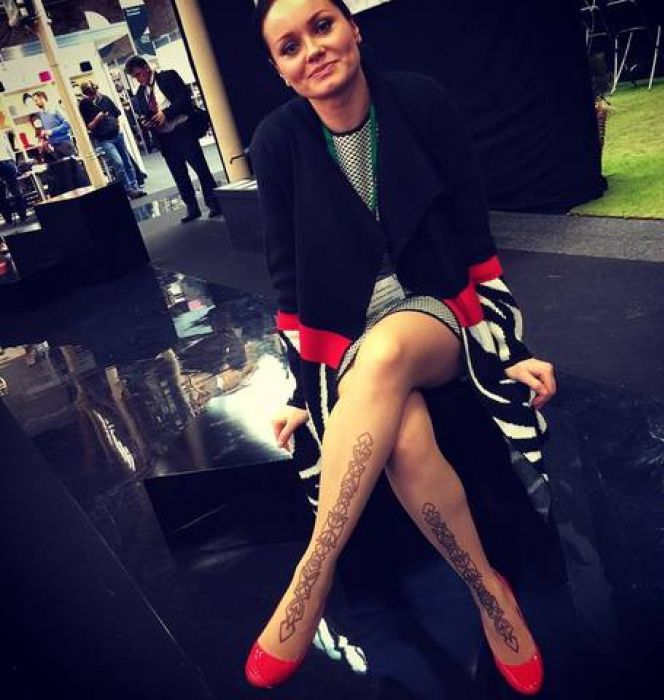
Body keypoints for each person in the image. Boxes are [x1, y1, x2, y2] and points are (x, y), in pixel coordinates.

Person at [244, 0, 558, 695]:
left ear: (354, 28)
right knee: (406, 438)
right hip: (348, 337)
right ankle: (490, 592)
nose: (312, 50)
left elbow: (474, 233)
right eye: (289, 46)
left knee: (386, 354)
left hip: (437, 313)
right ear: (280, 70)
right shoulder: (277, 141)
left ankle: (313, 572)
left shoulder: (420, 101)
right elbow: (288, 279)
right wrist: (302, 389)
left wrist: (511, 347)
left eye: (322, 25)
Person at [124, 55, 221, 223]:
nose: (138, 79)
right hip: (164, 138)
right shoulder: (140, 93)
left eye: (139, 74)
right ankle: (192, 207)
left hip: (182, 129)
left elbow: (184, 99)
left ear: (146, 67)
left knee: (200, 167)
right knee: (179, 174)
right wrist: (145, 121)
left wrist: (166, 113)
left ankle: (213, 203)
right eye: (135, 77)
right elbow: (145, 113)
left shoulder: (168, 76)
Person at [78, 81, 146, 199]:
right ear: (85, 94)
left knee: (127, 163)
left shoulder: (105, 99)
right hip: (104, 139)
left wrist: (117, 127)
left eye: (94, 92)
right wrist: (99, 117)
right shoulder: (84, 105)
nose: (93, 96)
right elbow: (89, 126)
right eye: (90, 94)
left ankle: (135, 187)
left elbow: (116, 114)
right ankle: (128, 189)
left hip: (117, 135)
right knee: (118, 163)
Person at [32, 91, 76, 158]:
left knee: (71, 163)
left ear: (42, 98)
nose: (35, 103)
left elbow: (67, 124)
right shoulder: (41, 115)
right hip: (54, 146)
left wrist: (52, 131)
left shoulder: (56, 109)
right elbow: (45, 131)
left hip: (64, 143)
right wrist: (42, 140)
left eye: (36, 100)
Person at [0, 129, 27, 226]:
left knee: (0, 196)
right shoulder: (1, 133)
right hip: (7, 163)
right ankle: (23, 216)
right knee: (15, 190)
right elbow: (9, 149)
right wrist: (14, 163)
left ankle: (8, 220)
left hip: (5, 163)